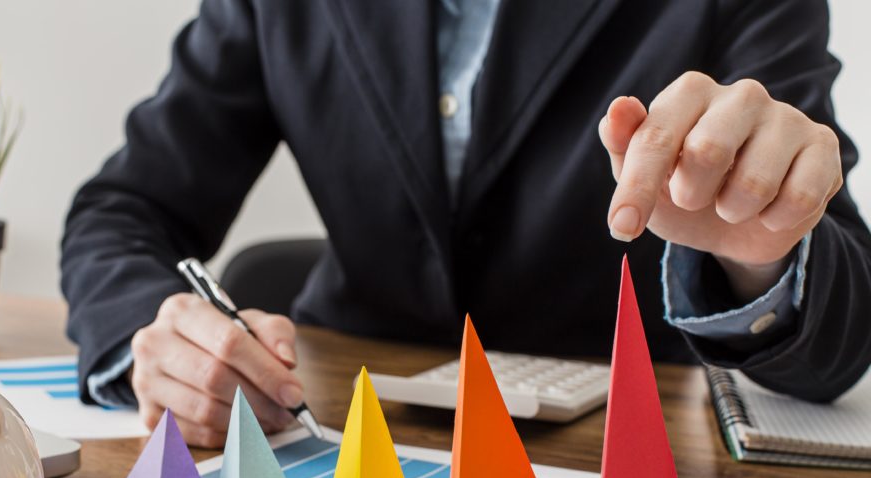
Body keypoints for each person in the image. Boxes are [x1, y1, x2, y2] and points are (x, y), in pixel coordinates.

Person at [62, 0, 871, 447]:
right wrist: (155, 336)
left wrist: (766, 263)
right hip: (335, 434)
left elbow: (846, 331)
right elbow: (122, 209)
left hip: (622, 454)